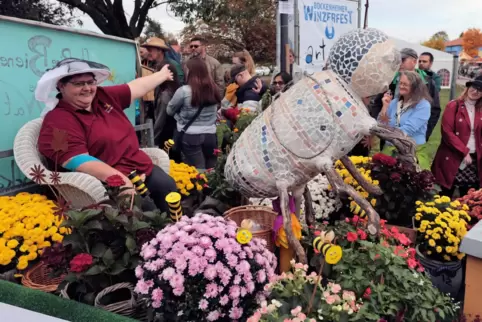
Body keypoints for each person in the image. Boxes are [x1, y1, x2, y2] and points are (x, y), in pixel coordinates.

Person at [36, 58, 177, 212]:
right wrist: (120, 180)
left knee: (168, 191)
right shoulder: (58, 119)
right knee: (147, 216)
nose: (87, 88)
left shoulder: (102, 96)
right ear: (61, 86)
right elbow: (76, 159)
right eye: (78, 83)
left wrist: (162, 75)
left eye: (91, 82)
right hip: (108, 183)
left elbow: (135, 87)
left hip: (140, 167)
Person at [372, 48, 440, 142]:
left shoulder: (427, 82)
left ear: (414, 61)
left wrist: (425, 133)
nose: (399, 63)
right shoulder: (391, 81)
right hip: (389, 141)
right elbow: (378, 105)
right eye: (401, 83)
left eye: (403, 60)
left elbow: (434, 110)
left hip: (411, 142)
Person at [167, 57, 221, 169]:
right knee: (211, 167)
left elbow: (169, 110)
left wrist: (180, 118)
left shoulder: (183, 91)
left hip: (190, 135)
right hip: (211, 134)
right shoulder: (214, 89)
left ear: (189, 72)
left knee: (197, 169)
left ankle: (202, 187)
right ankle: (213, 186)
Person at [432, 76, 482, 197]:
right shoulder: (453, 106)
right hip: (453, 156)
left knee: (470, 199)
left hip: (474, 161)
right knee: (444, 197)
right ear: (468, 87)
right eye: (474, 87)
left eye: (480, 90)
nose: (475, 91)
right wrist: (464, 152)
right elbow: (447, 132)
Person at [378, 71, 432, 168]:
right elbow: (380, 124)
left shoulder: (423, 105)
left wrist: (388, 135)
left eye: (405, 84)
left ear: (415, 87)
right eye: (400, 83)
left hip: (411, 153)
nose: (401, 86)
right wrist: (385, 106)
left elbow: (408, 129)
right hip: (391, 149)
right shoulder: (394, 102)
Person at [153, 60, 181, 155]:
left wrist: (153, 141)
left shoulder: (165, 95)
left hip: (165, 136)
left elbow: (160, 121)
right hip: (173, 133)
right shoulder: (176, 90)